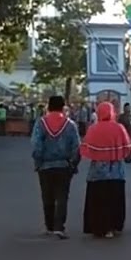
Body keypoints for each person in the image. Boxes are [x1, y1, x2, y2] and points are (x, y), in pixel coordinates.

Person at [30, 95, 81, 240]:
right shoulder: (70, 125)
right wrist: (73, 164)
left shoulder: (41, 123)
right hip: (64, 165)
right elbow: (76, 147)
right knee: (62, 196)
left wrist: (38, 162)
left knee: (47, 196)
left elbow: (36, 145)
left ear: (49, 106)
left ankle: (49, 226)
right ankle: (60, 227)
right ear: (63, 107)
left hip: (45, 165)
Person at [81, 102, 131, 239]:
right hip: (116, 173)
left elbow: (85, 148)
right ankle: (113, 226)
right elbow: (127, 146)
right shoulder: (119, 128)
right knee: (114, 199)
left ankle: (98, 227)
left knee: (98, 200)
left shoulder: (93, 129)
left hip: (97, 173)